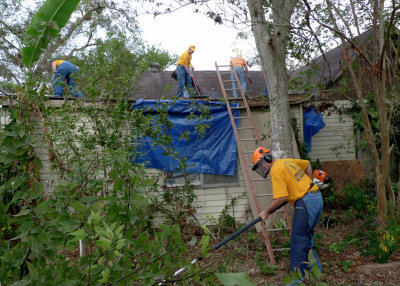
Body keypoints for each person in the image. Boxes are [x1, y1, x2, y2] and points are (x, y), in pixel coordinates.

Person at [252, 147, 323, 283]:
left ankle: (296, 282)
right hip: (317, 198)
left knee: (297, 241)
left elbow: (282, 197)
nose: (261, 168)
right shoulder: (287, 161)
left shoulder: (275, 170)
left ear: (267, 159)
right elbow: (307, 163)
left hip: (305, 203)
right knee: (307, 236)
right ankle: (315, 273)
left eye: (260, 165)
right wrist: (307, 182)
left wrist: (266, 212)